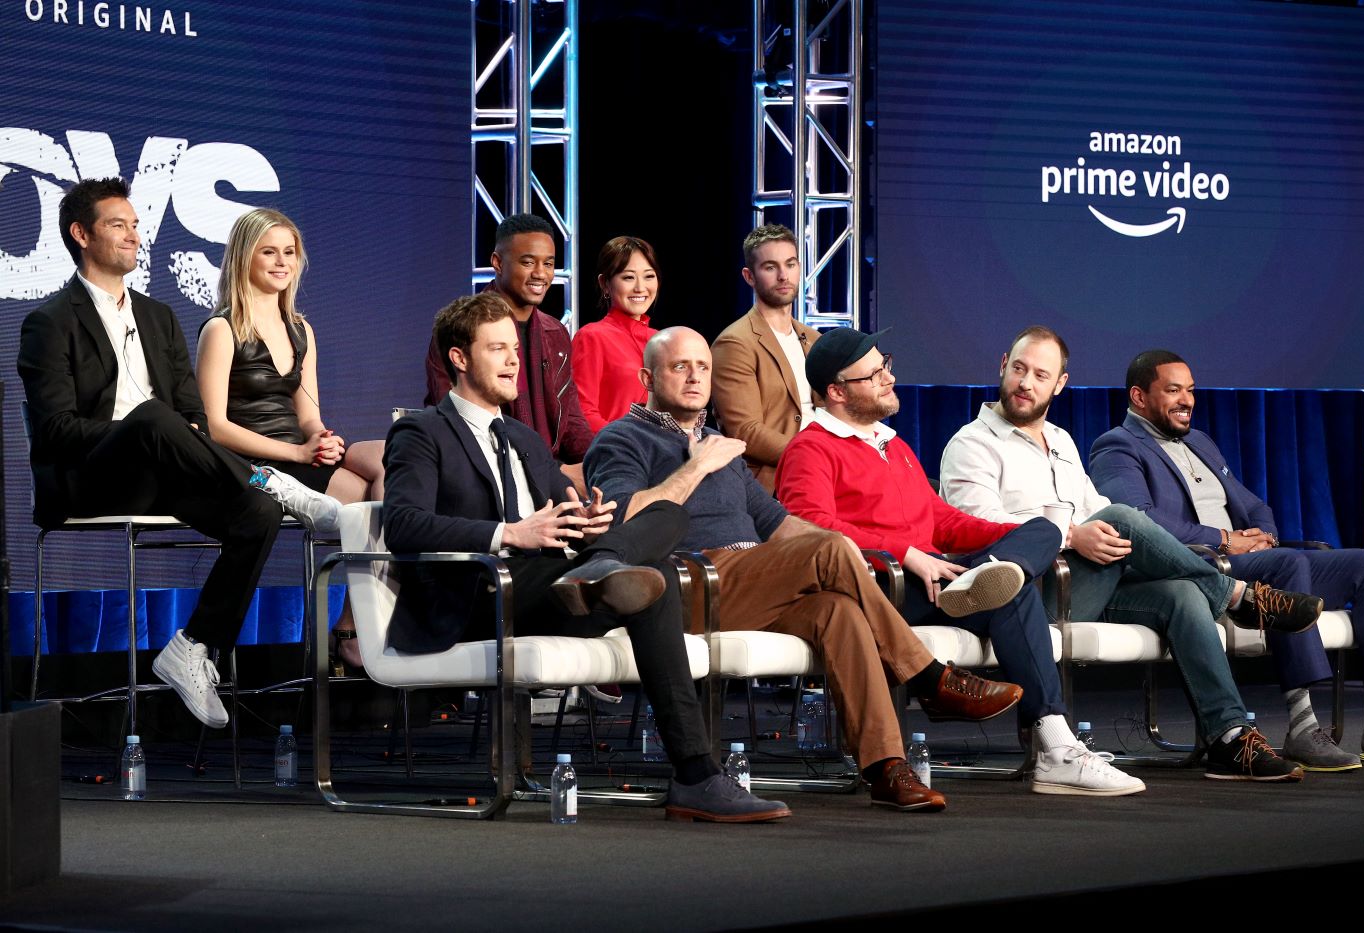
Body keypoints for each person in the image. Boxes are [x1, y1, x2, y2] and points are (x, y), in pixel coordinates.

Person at [586, 326, 1028, 813]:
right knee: (831, 549)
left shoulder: (719, 444)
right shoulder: (623, 439)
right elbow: (620, 519)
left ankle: (886, 768)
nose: (695, 378)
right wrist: (696, 468)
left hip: (755, 578)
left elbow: (779, 525)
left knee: (838, 610)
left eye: (703, 367)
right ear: (647, 375)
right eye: (679, 367)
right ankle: (928, 678)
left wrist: (851, 546)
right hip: (688, 583)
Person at [384, 292, 789, 823]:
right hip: (478, 594)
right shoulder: (422, 431)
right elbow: (403, 524)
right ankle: (696, 772)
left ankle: (695, 776)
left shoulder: (524, 439)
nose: (512, 361)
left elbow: (568, 512)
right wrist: (509, 533)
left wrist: (589, 519)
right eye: (497, 349)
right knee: (650, 563)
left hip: (552, 586)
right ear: (460, 359)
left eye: (514, 349)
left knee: (665, 532)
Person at [16, 178, 335, 729]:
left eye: (137, 226)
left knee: (255, 514)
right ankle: (270, 480)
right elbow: (55, 433)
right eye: (120, 225)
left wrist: (163, 434)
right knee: (152, 417)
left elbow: (191, 412)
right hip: (92, 478)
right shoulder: (49, 322)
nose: (135, 236)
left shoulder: (159, 317)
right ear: (81, 234)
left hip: (160, 471)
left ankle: (193, 645)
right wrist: (142, 430)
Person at [940, 326, 1323, 782]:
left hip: (1090, 584)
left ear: (1059, 384)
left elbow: (1095, 510)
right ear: (1003, 366)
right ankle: (1240, 596)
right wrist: (1071, 535)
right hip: (1029, 596)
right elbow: (977, 530)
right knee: (1122, 517)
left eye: (1041, 375)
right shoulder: (971, 444)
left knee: (1182, 594)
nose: (1026, 383)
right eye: (1019, 369)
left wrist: (1097, 533)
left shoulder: (1061, 442)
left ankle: (1230, 737)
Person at [775, 327, 1144, 795]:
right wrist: (905, 553)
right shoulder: (812, 448)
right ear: (837, 392)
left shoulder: (893, 445)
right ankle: (1056, 747)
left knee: (1037, 540)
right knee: (1012, 584)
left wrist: (1023, 537)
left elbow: (943, 521)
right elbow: (809, 527)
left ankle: (1056, 748)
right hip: (881, 589)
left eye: (886, 363)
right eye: (875, 373)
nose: (890, 377)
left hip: (936, 583)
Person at [1090, 350, 1364, 769]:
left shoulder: (1200, 442)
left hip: (1252, 560)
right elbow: (1141, 521)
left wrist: (1262, 537)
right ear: (1139, 396)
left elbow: (1253, 505)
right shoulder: (1117, 446)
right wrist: (1223, 540)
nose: (1187, 400)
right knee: (1289, 566)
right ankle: (1304, 725)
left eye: (1191, 391)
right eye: (1174, 390)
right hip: (1198, 567)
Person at [195, 208, 384, 671]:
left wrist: (322, 439)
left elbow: (308, 414)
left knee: (392, 462)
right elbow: (215, 427)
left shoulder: (301, 329)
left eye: (290, 252)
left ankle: (357, 619)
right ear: (244, 258)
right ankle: (355, 630)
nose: (282, 262)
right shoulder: (222, 329)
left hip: (300, 454)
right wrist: (299, 452)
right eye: (269, 252)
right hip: (254, 462)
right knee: (367, 508)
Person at [422, 213, 592, 487]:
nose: (540, 273)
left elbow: (570, 418)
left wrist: (600, 460)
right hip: (482, 474)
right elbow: (458, 421)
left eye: (548, 264)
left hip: (549, 470)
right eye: (528, 262)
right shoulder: (461, 325)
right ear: (498, 263)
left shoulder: (555, 333)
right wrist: (552, 472)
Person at [711, 224, 821, 491]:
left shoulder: (814, 338)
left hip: (825, 470)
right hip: (776, 478)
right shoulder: (735, 343)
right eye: (770, 267)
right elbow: (745, 431)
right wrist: (815, 456)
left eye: (790, 264)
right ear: (750, 276)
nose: (784, 276)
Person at [572, 236, 661, 432]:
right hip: (616, 454)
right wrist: (624, 445)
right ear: (605, 283)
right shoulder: (592, 337)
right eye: (628, 277)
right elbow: (583, 413)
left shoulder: (662, 340)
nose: (640, 287)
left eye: (649, 276)